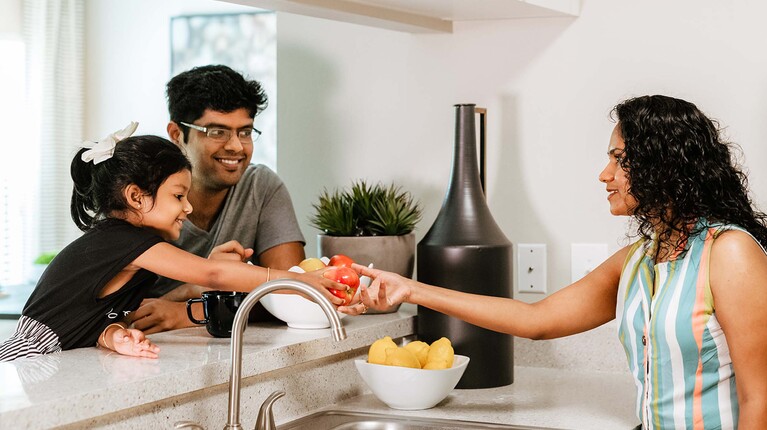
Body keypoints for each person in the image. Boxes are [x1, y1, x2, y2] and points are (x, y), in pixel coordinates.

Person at [346, 95, 767, 429]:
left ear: (663, 165)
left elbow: (760, 397)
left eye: (619, 159)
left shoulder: (728, 252)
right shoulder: (639, 260)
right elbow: (538, 320)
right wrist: (413, 289)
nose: (604, 174)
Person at [0, 126, 344, 362]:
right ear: (136, 196)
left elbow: (92, 317)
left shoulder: (130, 250)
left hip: (48, 361)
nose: (188, 206)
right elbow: (214, 275)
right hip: (25, 356)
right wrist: (299, 281)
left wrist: (114, 336)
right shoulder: (124, 241)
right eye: (179, 195)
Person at [129, 65, 308, 333]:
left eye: (245, 132)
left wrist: (189, 313)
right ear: (177, 134)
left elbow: (290, 292)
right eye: (217, 132)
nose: (236, 146)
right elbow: (107, 308)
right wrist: (203, 285)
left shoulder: (261, 187)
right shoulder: (140, 196)